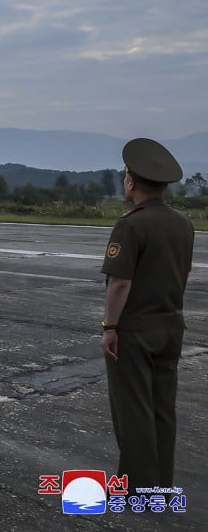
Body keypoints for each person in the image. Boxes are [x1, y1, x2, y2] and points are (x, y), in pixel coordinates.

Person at [101, 138, 193, 491]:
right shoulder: (182, 224)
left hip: (136, 330)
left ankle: (137, 486)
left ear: (130, 181)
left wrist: (110, 326)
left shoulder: (131, 225)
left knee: (133, 410)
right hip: (171, 325)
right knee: (162, 410)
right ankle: (161, 484)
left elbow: (120, 283)